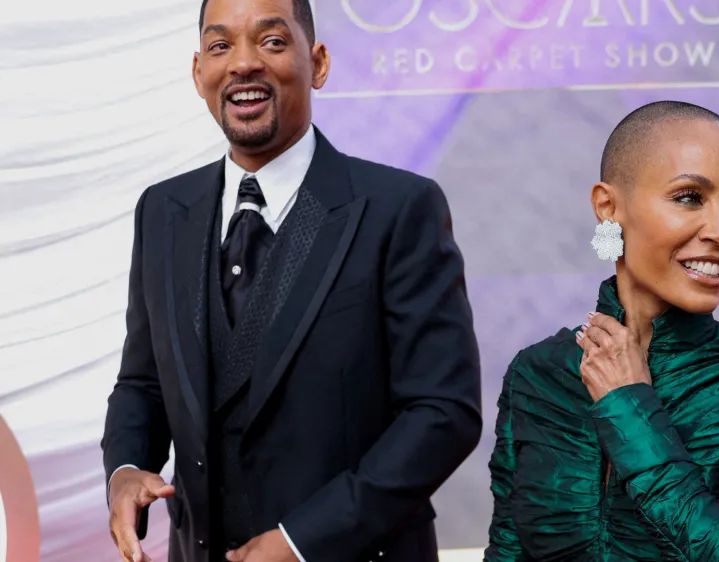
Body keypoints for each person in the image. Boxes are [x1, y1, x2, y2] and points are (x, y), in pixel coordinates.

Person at [100, 0, 482, 560]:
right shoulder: (162, 211)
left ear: (319, 63)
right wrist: (128, 469)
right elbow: (144, 383)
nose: (243, 64)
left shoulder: (399, 209)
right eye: (220, 46)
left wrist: (306, 540)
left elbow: (443, 412)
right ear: (198, 73)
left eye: (272, 42)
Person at [484, 101, 719, 561]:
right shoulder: (538, 373)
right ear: (609, 207)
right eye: (689, 197)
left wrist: (629, 406)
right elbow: (508, 550)